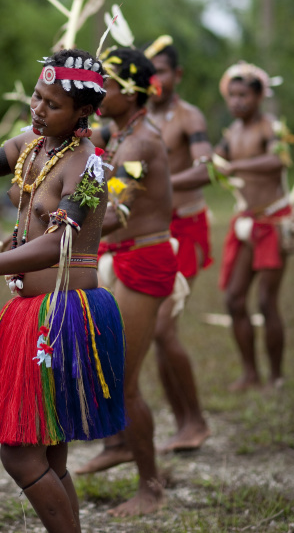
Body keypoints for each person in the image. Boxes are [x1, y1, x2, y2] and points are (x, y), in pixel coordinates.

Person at [0, 46, 126, 533]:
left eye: (51, 105)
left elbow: (59, 245)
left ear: (82, 113)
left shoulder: (90, 167)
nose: (37, 109)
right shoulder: (29, 146)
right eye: (36, 97)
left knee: (20, 453)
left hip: (66, 315)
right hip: (31, 312)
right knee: (49, 456)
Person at [76, 46, 177, 517]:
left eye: (108, 85)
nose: (100, 92)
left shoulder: (138, 143)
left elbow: (118, 211)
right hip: (123, 258)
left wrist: (63, 231)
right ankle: (119, 443)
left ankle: (150, 489)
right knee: (108, 366)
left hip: (144, 261)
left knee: (125, 381)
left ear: (132, 92)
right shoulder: (117, 134)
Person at [146, 37, 211, 452]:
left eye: (163, 71)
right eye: (149, 72)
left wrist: (161, 183)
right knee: (156, 331)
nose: (155, 80)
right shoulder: (134, 117)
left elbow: (205, 170)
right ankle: (185, 422)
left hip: (185, 230)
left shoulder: (189, 117)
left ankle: (197, 421)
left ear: (178, 75)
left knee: (163, 326)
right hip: (149, 233)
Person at [216, 62, 294, 391]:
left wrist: (235, 165)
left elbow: (278, 160)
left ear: (259, 96)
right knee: (234, 300)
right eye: (232, 95)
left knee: (266, 301)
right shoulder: (232, 133)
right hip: (246, 222)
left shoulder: (271, 127)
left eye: (244, 95)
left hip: (273, 222)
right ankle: (251, 373)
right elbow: (215, 161)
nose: (237, 102)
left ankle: (276, 375)